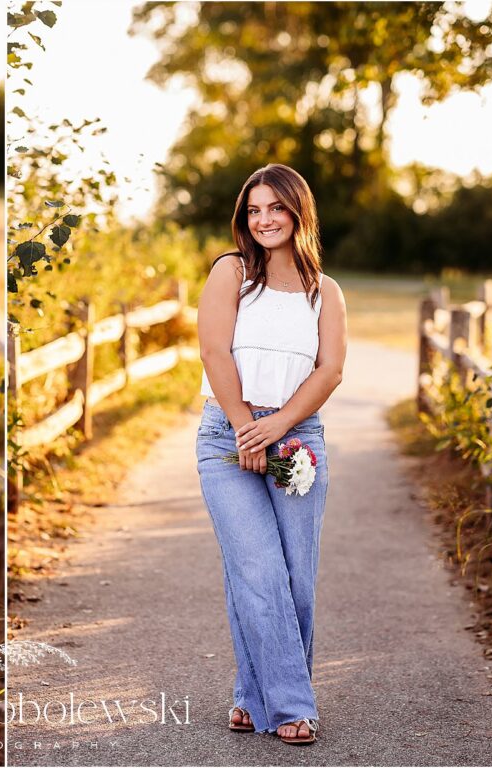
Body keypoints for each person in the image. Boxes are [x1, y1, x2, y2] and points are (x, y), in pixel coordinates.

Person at [195, 163, 347, 745]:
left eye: (276, 209)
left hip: (297, 438)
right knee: (256, 567)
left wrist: (277, 426)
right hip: (225, 437)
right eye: (254, 210)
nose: (264, 220)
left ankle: (251, 696)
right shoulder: (231, 272)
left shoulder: (324, 291)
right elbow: (213, 351)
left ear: (297, 213)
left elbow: (329, 369)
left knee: (293, 579)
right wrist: (243, 428)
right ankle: (290, 708)